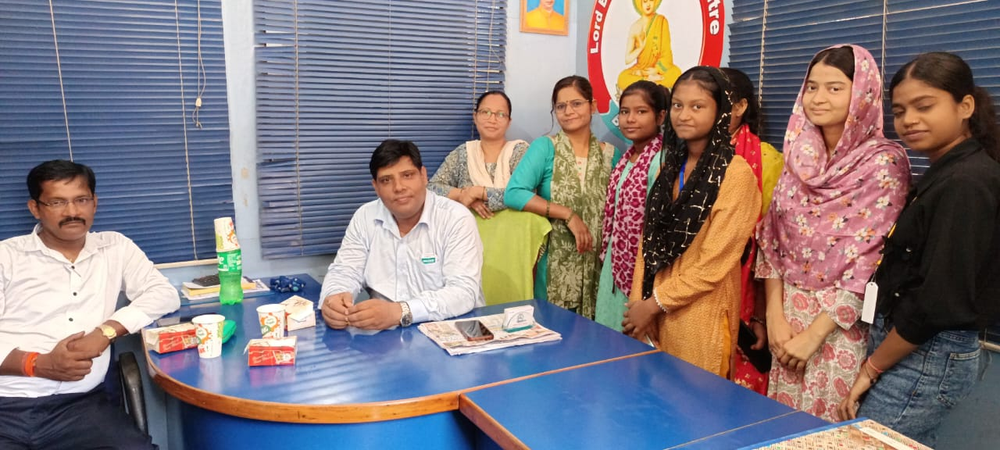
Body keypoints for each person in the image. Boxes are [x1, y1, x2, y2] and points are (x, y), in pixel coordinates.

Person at [838, 52, 1000, 446]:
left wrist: (871, 368)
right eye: (899, 111)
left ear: (965, 106)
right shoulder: (944, 172)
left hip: (928, 351)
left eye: (924, 106)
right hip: (910, 345)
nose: (909, 120)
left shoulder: (966, 182)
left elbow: (939, 301)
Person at [755, 45, 910, 422]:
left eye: (835, 88)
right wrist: (774, 315)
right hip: (787, 315)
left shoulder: (883, 163)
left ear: (862, 94)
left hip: (839, 325)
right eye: (812, 87)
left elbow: (874, 261)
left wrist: (815, 334)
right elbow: (772, 240)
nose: (818, 98)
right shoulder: (798, 158)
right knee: (779, 429)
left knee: (827, 432)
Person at [0, 160, 180, 449]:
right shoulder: (6, 257)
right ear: (35, 208)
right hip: (7, 403)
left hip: (81, 407)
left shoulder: (115, 247)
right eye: (57, 202)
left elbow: (163, 293)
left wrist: (105, 332)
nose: (72, 212)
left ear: (95, 203)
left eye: (81, 200)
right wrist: (38, 364)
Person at [623, 66, 761, 377]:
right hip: (652, 311)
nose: (684, 115)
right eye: (677, 105)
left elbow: (713, 264)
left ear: (721, 112)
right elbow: (648, 240)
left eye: (697, 106)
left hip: (700, 314)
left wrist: (654, 304)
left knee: (694, 400)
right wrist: (638, 305)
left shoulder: (735, 175)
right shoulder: (669, 168)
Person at [321, 139, 484, 331]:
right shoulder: (365, 216)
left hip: (451, 330)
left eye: (407, 175)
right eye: (386, 180)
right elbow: (345, 270)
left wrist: (400, 312)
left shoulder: (455, 218)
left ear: (423, 176)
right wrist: (335, 298)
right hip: (385, 337)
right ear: (376, 187)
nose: (398, 187)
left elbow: (463, 293)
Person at [505, 75, 619, 319]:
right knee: (554, 332)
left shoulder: (611, 155)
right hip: (554, 269)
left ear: (593, 106)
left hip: (600, 267)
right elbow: (514, 193)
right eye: (560, 106)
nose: (568, 112)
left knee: (597, 336)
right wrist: (568, 214)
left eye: (576, 104)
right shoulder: (546, 147)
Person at [721, 67, 785, 395]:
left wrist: (759, 315)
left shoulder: (767, 160)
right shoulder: (683, 156)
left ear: (740, 106)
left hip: (743, 292)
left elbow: (770, 247)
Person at [595, 80, 667, 330]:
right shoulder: (626, 158)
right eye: (625, 111)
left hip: (641, 269)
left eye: (641, 111)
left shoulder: (662, 160)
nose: (630, 119)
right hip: (615, 263)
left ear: (660, 116)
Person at [429, 91, 529, 219]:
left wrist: (480, 193)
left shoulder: (519, 151)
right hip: (468, 228)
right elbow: (432, 188)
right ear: (475, 117)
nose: (492, 120)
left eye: (500, 114)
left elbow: (526, 195)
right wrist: (463, 195)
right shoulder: (463, 153)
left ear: (509, 122)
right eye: (486, 112)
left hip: (514, 227)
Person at [616, 0, 682, 95]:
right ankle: (648, 81)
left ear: (655, 2)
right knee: (623, 78)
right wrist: (640, 48)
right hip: (641, 69)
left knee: (676, 73)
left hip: (658, 70)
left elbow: (667, 53)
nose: (648, 4)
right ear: (640, 4)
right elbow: (627, 59)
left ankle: (645, 82)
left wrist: (657, 70)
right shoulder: (635, 27)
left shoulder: (661, 21)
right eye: (645, 1)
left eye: (651, 0)